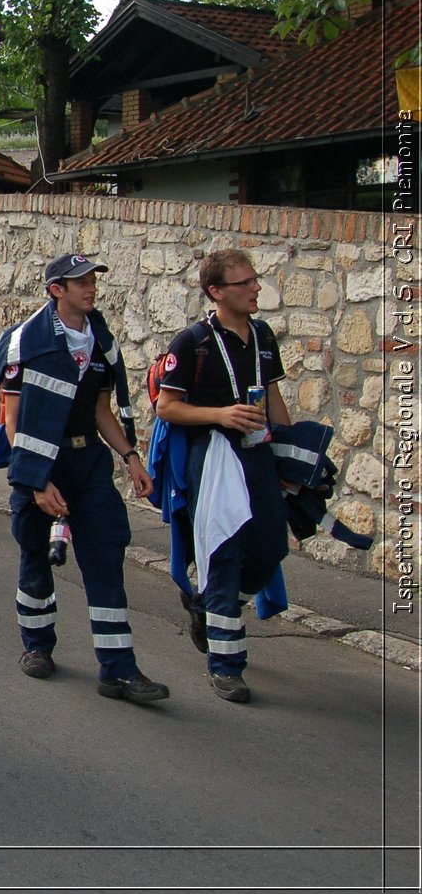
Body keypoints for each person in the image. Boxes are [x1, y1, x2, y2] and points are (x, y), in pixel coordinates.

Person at [0, 254, 166, 704]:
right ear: (57, 290)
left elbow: (100, 410)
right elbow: (13, 419)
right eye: (80, 282)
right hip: (39, 461)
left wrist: (130, 456)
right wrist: (36, 479)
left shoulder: (101, 339)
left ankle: (118, 670)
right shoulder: (24, 342)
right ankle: (36, 646)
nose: (91, 288)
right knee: (35, 554)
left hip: (87, 459)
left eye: (92, 280)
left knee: (105, 555)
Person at [155, 249, 291, 704]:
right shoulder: (191, 342)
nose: (256, 288)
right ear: (216, 292)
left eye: (256, 280)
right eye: (245, 282)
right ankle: (226, 666)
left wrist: (291, 457)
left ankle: (206, 604)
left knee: (271, 545)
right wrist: (221, 414)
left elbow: (273, 397)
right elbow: (167, 406)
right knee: (224, 550)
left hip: (258, 455)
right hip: (213, 454)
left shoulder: (263, 335)